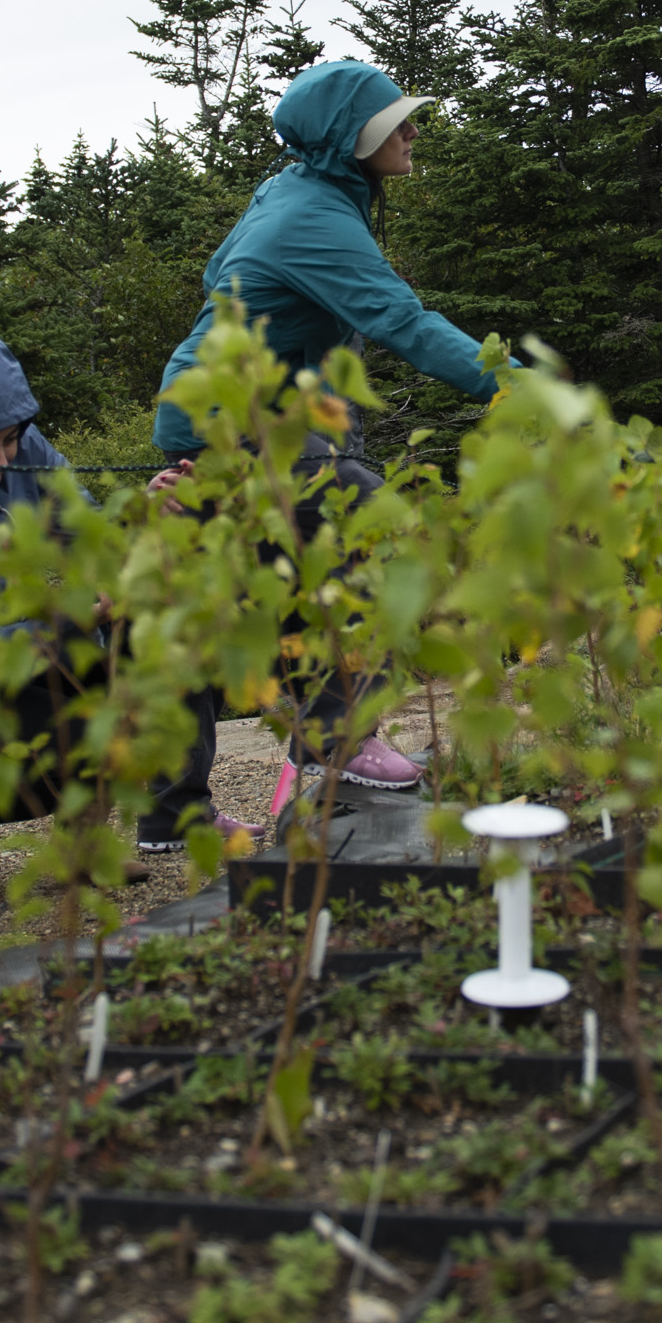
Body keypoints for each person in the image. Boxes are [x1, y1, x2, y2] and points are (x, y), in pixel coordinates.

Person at [151, 60, 502, 788]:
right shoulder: (311, 214)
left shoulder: (303, 191)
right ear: (349, 140)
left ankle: (318, 754)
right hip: (234, 424)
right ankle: (336, 745)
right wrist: (523, 390)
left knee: (315, 575)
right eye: (391, 123)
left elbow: (221, 277)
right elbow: (407, 323)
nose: (410, 131)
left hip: (228, 415)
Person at [0, 329, 250, 891]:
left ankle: (83, 842)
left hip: (4, 664)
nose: (0, 462)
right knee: (74, 738)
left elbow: (84, 534)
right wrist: (76, 618)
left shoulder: (20, 447)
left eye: (9, 440)